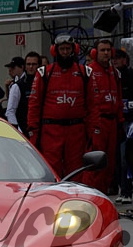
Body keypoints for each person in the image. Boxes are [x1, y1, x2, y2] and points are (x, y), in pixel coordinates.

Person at [27, 34, 99, 179]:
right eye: (62, 49)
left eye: (68, 49)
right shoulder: (44, 73)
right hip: (50, 132)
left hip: (76, 132)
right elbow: (34, 106)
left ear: (74, 50)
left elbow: (93, 107)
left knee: (76, 171)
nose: (65, 52)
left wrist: (93, 133)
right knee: (51, 171)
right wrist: (33, 132)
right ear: (55, 51)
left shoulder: (85, 73)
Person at [84, 39, 122, 193]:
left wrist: (120, 122)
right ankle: (92, 194)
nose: (106, 53)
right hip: (98, 122)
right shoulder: (89, 71)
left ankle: (104, 193)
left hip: (112, 123)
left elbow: (119, 98)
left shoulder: (114, 72)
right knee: (95, 162)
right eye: (103, 50)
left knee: (109, 164)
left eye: (108, 50)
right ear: (95, 53)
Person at [112, 48, 133, 204]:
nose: (116, 61)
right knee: (116, 159)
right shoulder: (111, 75)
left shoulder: (132, 76)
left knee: (125, 157)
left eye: (119, 58)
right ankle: (123, 187)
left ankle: (126, 190)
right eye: (114, 58)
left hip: (130, 120)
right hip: (114, 121)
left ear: (125, 60)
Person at [5, 51, 41, 134]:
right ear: (25, 66)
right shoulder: (17, 86)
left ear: (39, 65)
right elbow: (10, 111)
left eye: (34, 64)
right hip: (24, 130)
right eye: (28, 64)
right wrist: (18, 131)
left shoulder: (45, 83)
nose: (31, 67)